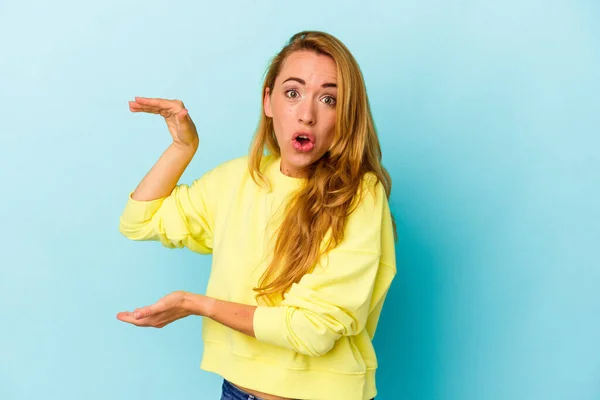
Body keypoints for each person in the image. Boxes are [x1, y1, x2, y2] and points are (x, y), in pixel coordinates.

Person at [116, 30, 397, 400]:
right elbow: (139, 221)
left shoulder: (359, 196)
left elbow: (313, 331)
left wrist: (198, 305)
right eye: (293, 93)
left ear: (345, 115)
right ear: (268, 101)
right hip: (236, 391)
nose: (307, 115)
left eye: (329, 99)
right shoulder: (238, 179)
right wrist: (184, 147)